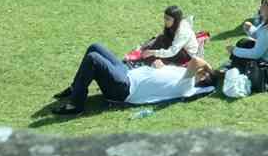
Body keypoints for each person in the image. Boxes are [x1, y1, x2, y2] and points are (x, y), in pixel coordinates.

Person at [52, 48, 214, 114]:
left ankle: (75, 105)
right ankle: (76, 87)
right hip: (128, 73)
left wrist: (210, 70)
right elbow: (164, 75)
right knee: (95, 47)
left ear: (201, 80)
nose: (201, 71)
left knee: (93, 59)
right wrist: (161, 66)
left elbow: (196, 61)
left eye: (203, 74)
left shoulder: (187, 87)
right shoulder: (184, 75)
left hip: (124, 89)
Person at [132, 5, 203, 65]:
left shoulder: (183, 32)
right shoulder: (174, 26)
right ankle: (143, 54)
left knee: (161, 56)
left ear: (176, 20)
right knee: (160, 39)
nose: (165, 21)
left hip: (186, 55)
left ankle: (145, 61)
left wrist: (153, 52)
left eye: (168, 19)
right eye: (165, 17)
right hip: (178, 47)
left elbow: (172, 52)